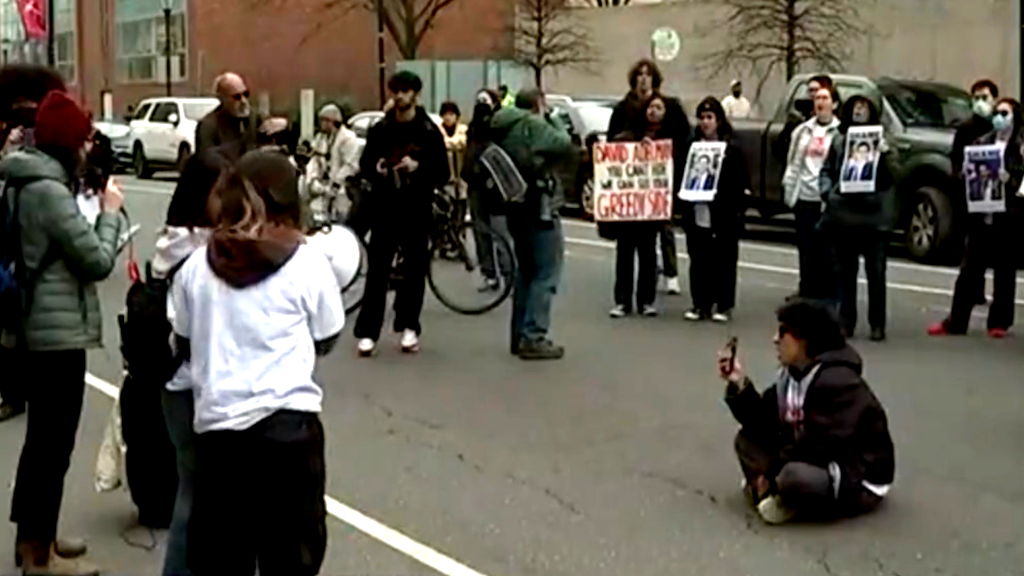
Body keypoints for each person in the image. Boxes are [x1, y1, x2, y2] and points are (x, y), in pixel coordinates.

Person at [170, 150, 343, 575]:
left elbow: (184, 341)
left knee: (222, 559)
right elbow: (328, 336)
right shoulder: (307, 263)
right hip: (288, 433)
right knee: (291, 559)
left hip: (220, 437)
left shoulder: (196, 266)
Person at [2, 91, 125, 576]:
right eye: (84, 139)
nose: (88, 147)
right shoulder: (49, 192)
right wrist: (112, 214)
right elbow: (95, 260)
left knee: (42, 442)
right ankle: (38, 555)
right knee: (52, 445)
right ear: (66, 144)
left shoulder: (22, 179)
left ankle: (36, 537)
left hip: (33, 323)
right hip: (55, 333)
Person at [718, 298, 895, 525]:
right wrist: (738, 383)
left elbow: (817, 445)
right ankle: (775, 496)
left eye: (783, 332)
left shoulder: (838, 382)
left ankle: (776, 496)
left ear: (805, 339)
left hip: (854, 474)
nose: (775, 339)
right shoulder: (792, 375)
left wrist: (771, 473)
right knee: (746, 440)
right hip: (808, 454)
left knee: (794, 477)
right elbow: (763, 421)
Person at [354, 72, 449, 357]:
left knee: (414, 270)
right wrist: (378, 167)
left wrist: (418, 167)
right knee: (378, 271)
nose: (399, 96)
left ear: (415, 95)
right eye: (395, 91)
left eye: (405, 91)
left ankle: (409, 326)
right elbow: (366, 163)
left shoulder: (429, 131)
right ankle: (368, 332)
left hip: (416, 208)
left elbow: (442, 173)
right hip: (385, 208)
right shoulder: (381, 129)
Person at [0, 64, 67, 424]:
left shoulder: (48, 154)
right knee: (11, 321)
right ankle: (13, 391)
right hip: (11, 241)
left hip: (32, 244)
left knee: (21, 319)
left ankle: (20, 387)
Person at [929, 97, 1024, 339]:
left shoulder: (1020, 146)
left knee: (1004, 270)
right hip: (981, 214)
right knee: (970, 269)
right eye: (997, 113)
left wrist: (1010, 180)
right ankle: (957, 320)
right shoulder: (982, 142)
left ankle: (999, 321)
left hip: (1008, 216)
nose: (999, 118)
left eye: (1005, 113)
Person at [491, 88, 576, 360]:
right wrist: (554, 119)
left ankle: (519, 334)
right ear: (538, 103)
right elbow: (562, 143)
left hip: (515, 204)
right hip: (539, 204)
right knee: (546, 272)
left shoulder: (504, 124)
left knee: (525, 272)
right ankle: (534, 335)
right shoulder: (533, 124)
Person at [609, 59, 692, 296]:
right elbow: (614, 139)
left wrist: (665, 154)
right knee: (631, 240)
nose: (643, 78)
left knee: (663, 226)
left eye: (648, 74)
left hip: (659, 177)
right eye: (640, 74)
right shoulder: (623, 108)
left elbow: (682, 137)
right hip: (631, 180)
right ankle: (633, 287)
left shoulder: (668, 106)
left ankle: (670, 271)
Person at [820, 95, 896, 342]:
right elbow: (827, 170)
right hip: (844, 214)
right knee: (845, 273)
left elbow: (893, 176)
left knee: (876, 273)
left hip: (873, 217)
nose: (859, 111)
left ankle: (877, 323)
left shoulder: (882, 142)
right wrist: (828, 193)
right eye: (855, 107)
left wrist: (884, 154)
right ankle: (846, 321)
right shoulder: (840, 140)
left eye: (864, 107)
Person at [607, 94, 678, 318]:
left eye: (659, 107)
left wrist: (656, 149)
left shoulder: (671, 136)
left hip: (651, 207)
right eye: (651, 107)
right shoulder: (630, 134)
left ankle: (646, 300)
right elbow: (615, 150)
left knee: (648, 254)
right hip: (629, 206)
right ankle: (622, 301)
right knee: (624, 254)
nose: (654, 111)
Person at [681, 97, 749, 323]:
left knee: (725, 259)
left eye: (709, 118)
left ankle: (724, 303)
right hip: (698, 209)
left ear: (718, 120)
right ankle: (700, 303)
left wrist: (738, 207)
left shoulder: (732, 148)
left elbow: (741, 181)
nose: (705, 122)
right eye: (701, 118)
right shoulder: (691, 147)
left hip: (724, 212)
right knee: (699, 258)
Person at [783, 86, 841, 301]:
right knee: (806, 250)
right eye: (817, 98)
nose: (820, 102)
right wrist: (790, 191)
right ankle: (806, 291)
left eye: (825, 98)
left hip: (826, 200)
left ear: (834, 104)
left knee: (827, 251)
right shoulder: (802, 131)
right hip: (804, 196)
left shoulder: (840, 132)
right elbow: (793, 163)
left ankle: (828, 295)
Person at [953, 79, 1000, 306]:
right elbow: (955, 158)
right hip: (972, 195)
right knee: (973, 244)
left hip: (998, 196)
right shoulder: (965, 129)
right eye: (977, 98)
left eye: (985, 98)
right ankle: (974, 290)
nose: (981, 102)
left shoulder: (999, 127)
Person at [463, 89, 507, 290]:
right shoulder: (473, 127)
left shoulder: (499, 125)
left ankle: (507, 272)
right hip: (475, 185)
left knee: (499, 232)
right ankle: (489, 273)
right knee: (481, 231)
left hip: (495, 186)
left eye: (485, 101)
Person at [305, 103, 360, 225]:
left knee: (341, 220)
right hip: (323, 187)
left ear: (333, 121)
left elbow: (351, 165)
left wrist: (336, 183)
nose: (321, 124)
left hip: (342, 188)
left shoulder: (348, 138)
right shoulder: (320, 138)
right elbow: (314, 159)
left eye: (324, 120)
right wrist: (313, 178)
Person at [195, 72, 259, 155]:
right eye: (237, 97)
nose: (243, 101)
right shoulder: (209, 126)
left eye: (246, 94)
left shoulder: (255, 119)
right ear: (222, 99)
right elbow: (207, 157)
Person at [776, 75, 834, 160]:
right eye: (811, 90)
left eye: (817, 90)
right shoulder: (798, 120)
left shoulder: (834, 122)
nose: (813, 94)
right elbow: (781, 149)